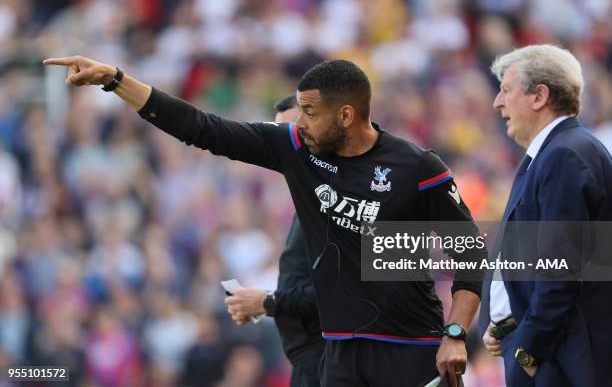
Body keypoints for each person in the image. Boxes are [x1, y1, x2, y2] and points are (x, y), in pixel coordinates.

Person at [43, 56, 484, 387]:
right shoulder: (296, 149)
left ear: (347, 115)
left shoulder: (416, 167)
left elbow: (470, 252)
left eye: (310, 112)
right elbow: (203, 127)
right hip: (340, 355)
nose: (300, 123)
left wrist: (456, 334)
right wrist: (117, 81)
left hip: (410, 349)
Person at [479, 44, 612, 386]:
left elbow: (559, 271)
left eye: (506, 90)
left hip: (560, 360)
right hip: (549, 351)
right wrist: (503, 323)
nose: (498, 102)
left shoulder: (565, 155)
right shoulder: (556, 152)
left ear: (539, 96)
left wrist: (528, 348)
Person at [224, 94, 325, 387]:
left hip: (330, 361)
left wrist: (268, 302)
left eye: (293, 131)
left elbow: (349, 294)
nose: (285, 146)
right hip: (309, 361)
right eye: (278, 133)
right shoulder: (308, 205)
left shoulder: (346, 205)